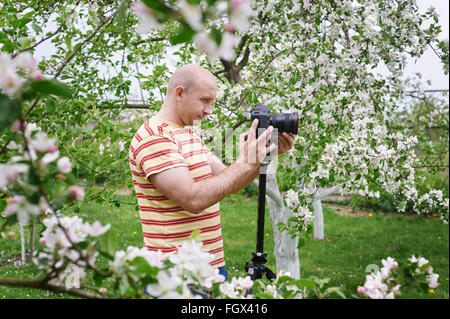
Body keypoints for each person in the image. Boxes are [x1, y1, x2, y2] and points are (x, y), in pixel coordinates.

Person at [128, 64, 295, 281]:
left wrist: (262, 156)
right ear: (180, 93)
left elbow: (231, 183)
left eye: (211, 102)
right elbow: (192, 198)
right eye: (205, 100)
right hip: (174, 275)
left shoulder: (187, 133)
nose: (209, 110)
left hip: (211, 268)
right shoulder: (155, 137)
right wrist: (245, 162)